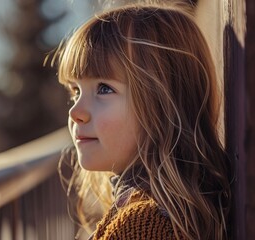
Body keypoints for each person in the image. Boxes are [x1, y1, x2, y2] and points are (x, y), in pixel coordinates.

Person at [50, 2, 232, 240]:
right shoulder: (160, 213)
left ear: (163, 103)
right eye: (75, 91)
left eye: (104, 88)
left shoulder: (141, 227)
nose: (76, 112)